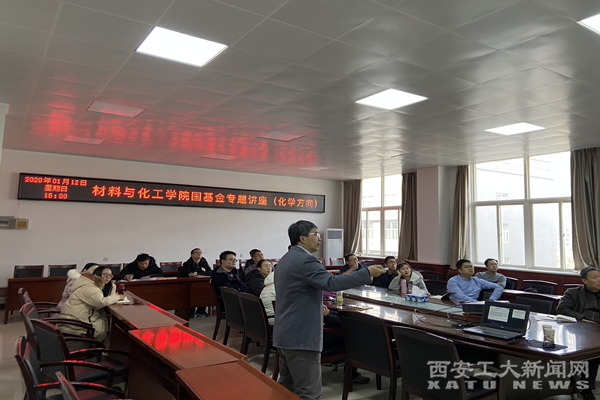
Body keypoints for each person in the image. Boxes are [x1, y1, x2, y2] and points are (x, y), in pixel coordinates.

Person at [273, 220, 385, 399]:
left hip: (285, 332)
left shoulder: (287, 258)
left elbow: (294, 293)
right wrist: (367, 273)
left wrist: (314, 304)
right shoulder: (306, 260)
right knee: (309, 392)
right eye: (316, 234)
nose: (320, 238)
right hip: (301, 336)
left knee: (287, 388)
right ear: (302, 238)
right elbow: (331, 283)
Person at [557, 266, 600, 400]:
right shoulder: (573, 293)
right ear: (584, 281)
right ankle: (585, 388)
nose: (599, 280)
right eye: (595, 277)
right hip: (581, 330)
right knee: (591, 353)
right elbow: (562, 309)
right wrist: (583, 319)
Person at [59, 266, 123, 343]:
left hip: (77, 319)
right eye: (105, 274)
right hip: (77, 324)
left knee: (109, 322)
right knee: (112, 326)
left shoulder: (88, 283)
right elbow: (100, 302)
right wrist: (118, 297)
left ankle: (105, 346)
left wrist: (112, 286)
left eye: (110, 275)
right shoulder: (89, 287)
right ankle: (104, 347)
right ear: (98, 274)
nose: (108, 277)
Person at [181, 248, 212, 318]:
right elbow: (188, 273)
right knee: (192, 293)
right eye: (196, 252)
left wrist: (197, 272)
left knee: (205, 291)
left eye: (200, 252)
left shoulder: (203, 261)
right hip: (191, 284)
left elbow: (210, 272)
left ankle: (201, 310)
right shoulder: (187, 263)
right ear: (191, 255)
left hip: (202, 283)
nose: (199, 254)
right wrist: (201, 270)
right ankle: (191, 311)